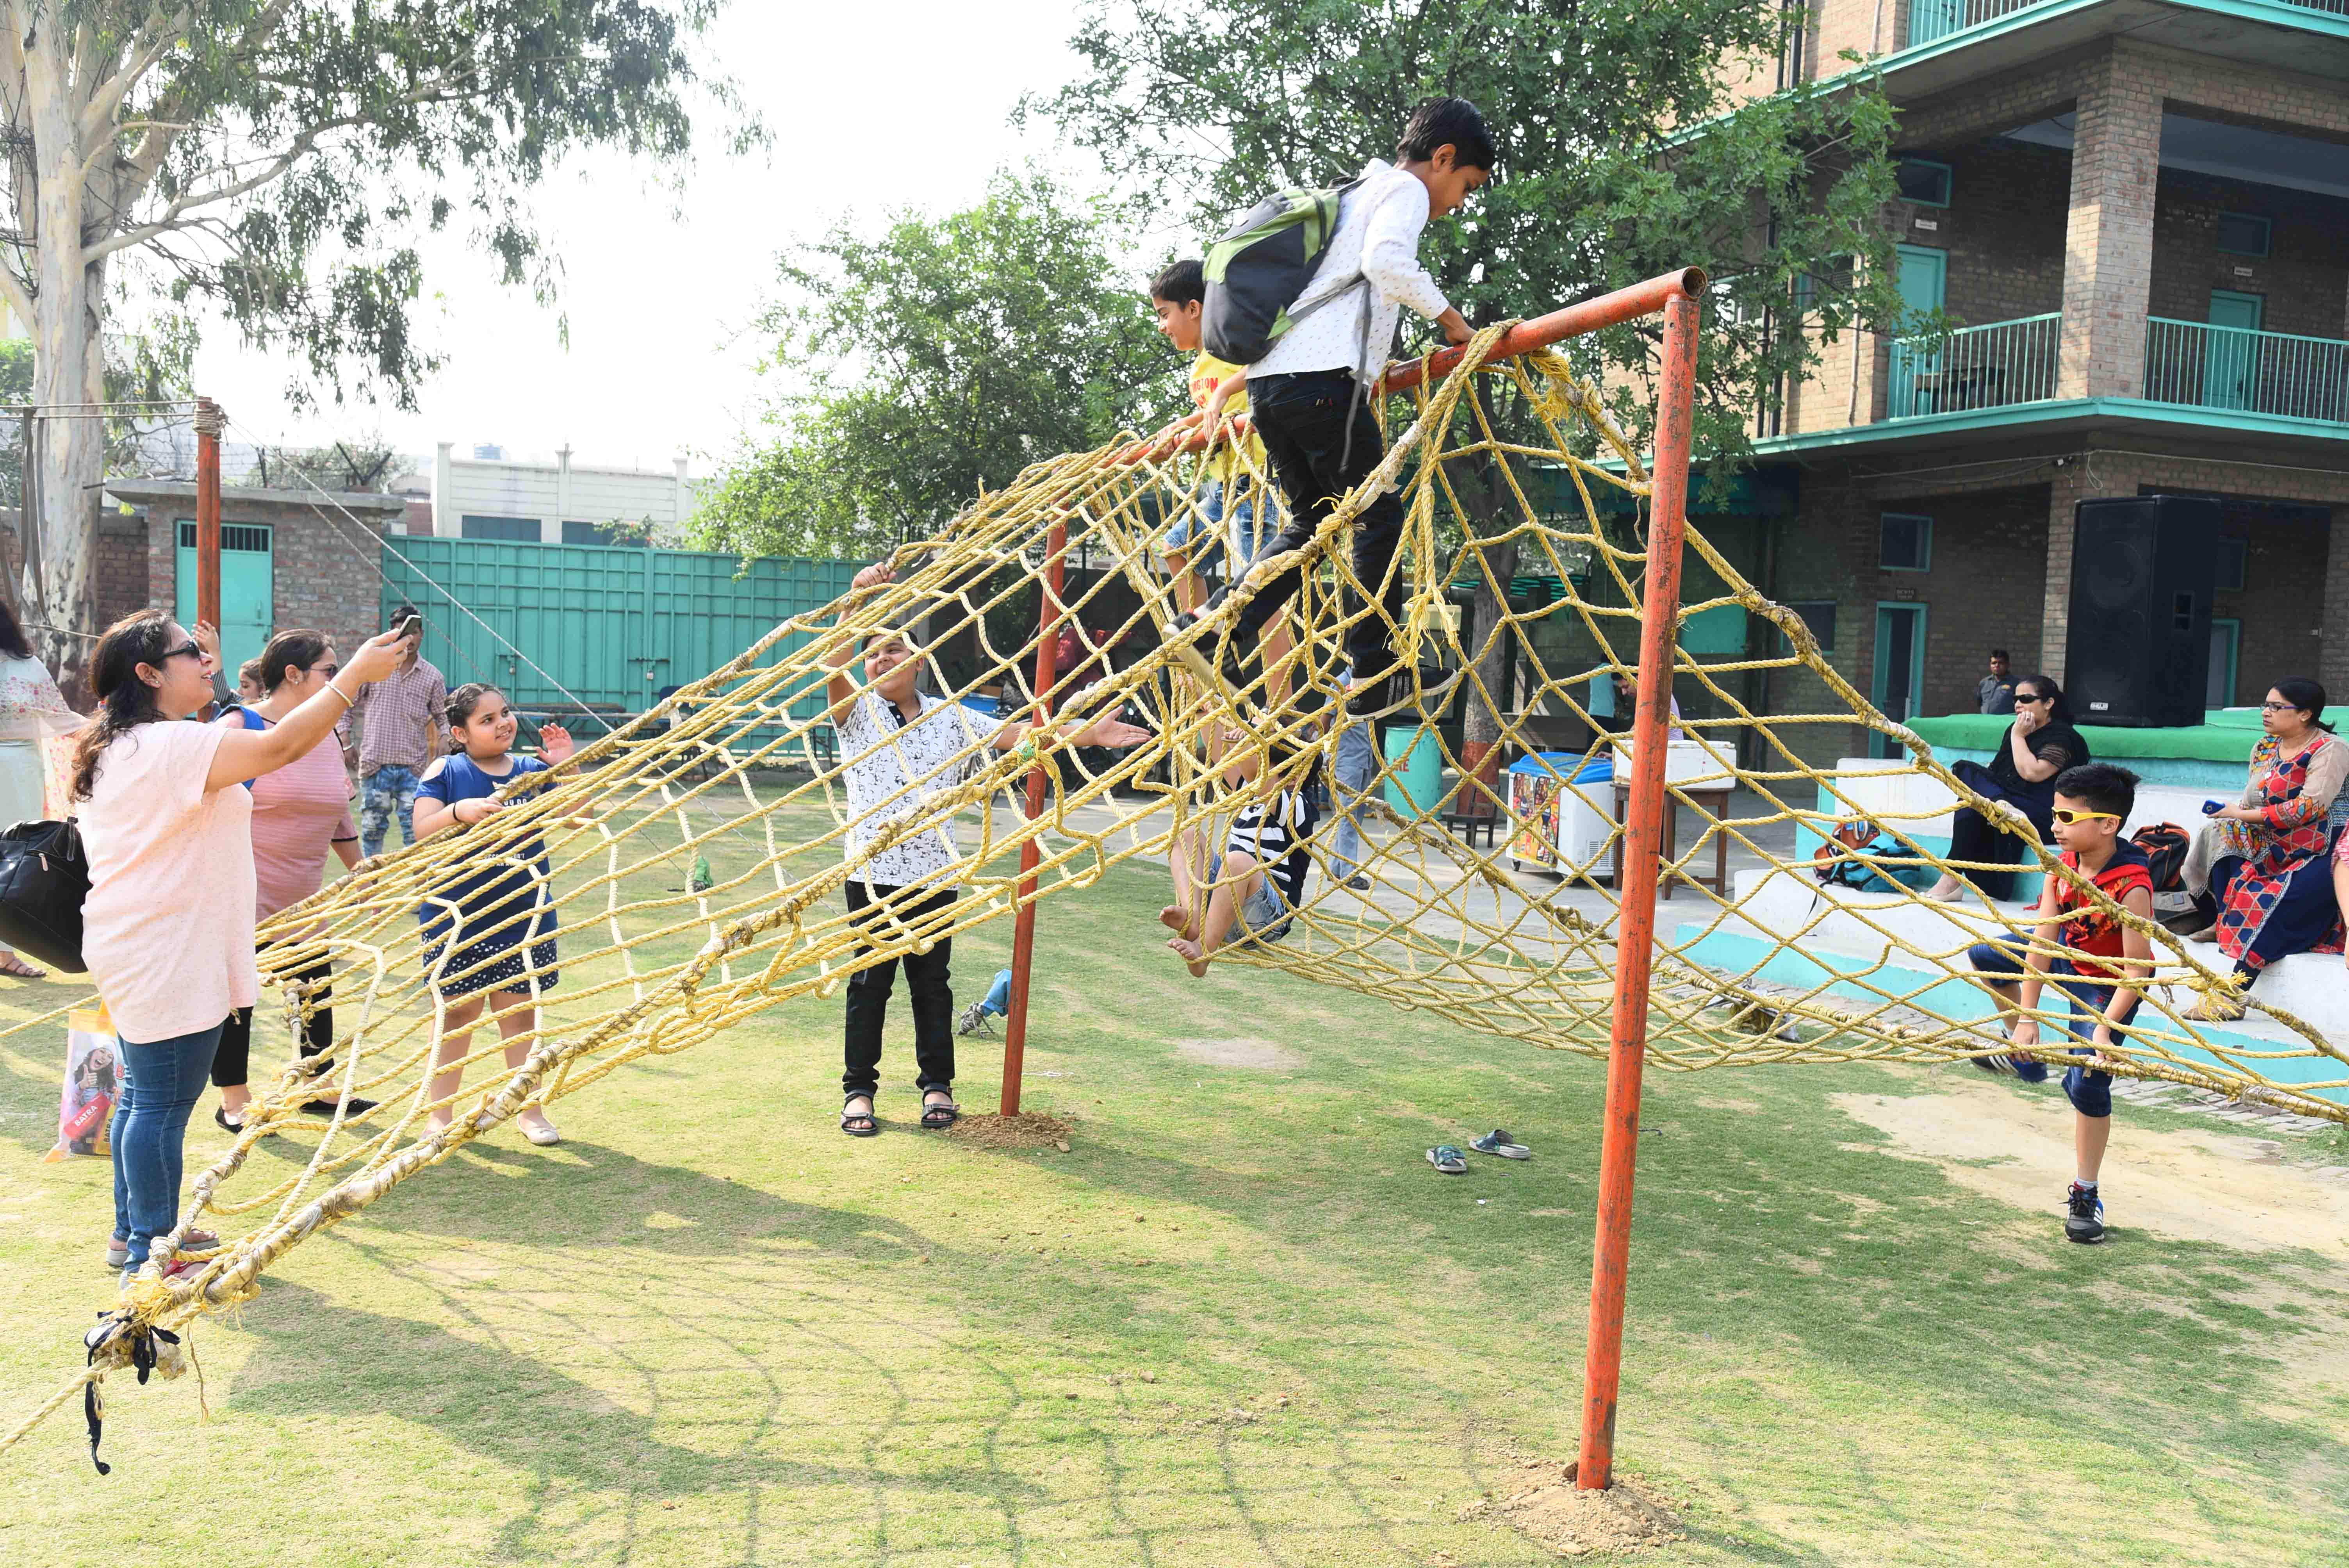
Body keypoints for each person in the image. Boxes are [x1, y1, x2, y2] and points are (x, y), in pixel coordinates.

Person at [76, 610, 401, 1280]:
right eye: (188, 652)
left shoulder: (134, 744)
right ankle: (152, 1254)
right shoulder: (169, 746)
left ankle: (133, 1233)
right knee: (161, 1103)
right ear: (148, 674)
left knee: (144, 1096)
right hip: (166, 950)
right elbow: (280, 747)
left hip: (141, 943)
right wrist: (353, 678)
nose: (205, 660)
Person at [1184, 96, 1494, 723]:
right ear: (1443, 158)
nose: (1460, 203)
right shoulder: (1404, 191)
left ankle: (1214, 624)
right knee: (1378, 514)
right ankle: (1375, 670)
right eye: (1466, 186)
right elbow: (1387, 264)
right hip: (1323, 384)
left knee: (1315, 520)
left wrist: (1371, 364)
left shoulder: (1354, 191)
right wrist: (1456, 323)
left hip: (1272, 387)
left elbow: (1329, 298)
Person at [822, 563, 1150, 1136]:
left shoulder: (949, 719)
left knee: (931, 986)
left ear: (918, 661)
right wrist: (854, 601)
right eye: (872, 654)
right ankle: (859, 1094)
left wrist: (1090, 734)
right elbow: (829, 665)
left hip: (935, 874)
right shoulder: (857, 717)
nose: (881, 660)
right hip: (872, 874)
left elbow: (1022, 737)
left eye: (894, 649)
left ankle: (937, 1088)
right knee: (869, 985)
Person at [1965, 763, 2154, 1245]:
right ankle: (2024, 1054)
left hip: (2107, 984)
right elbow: (2043, 942)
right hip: (2070, 954)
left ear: (2108, 824)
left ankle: (2086, 1192)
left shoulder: (2131, 884)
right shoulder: (2061, 865)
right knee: (1988, 954)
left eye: (2066, 817)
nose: (2054, 825)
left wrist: (2104, 1028)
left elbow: (2138, 969)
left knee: (2087, 1082)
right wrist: (2027, 1018)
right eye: (2054, 814)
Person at [208, 630, 379, 1133]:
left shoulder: (327, 733)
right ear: (293, 674)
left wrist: (361, 872)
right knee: (237, 997)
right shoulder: (241, 724)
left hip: (303, 897)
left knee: (312, 991)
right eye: (330, 670)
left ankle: (316, 1085)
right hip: (241, 894)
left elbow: (338, 813)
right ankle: (234, 1099)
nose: (339, 679)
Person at [413, 683, 576, 1144]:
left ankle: (529, 1110)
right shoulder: (447, 769)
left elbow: (576, 815)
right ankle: (439, 1117)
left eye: (504, 712)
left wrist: (567, 766)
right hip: (457, 917)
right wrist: (458, 811)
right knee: (455, 1017)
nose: (503, 723)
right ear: (460, 733)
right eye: (487, 719)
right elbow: (422, 829)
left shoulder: (531, 771)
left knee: (520, 1017)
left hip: (523, 914)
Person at [1150, 257, 1291, 697]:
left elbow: (1271, 361)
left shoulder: (1230, 341)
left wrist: (1221, 398)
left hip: (1255, 481)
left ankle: (1282, 704)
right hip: (1221, 486)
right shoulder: (1200, 365)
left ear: (1193, 308)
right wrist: (1185, 425)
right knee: (1176, 548)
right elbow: (1216, 413)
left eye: (1164, 314)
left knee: (1260, 585)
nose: (1162, 327)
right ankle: (1206, 645)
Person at [2178, 679, 2346, 1020]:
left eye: (2276, 707)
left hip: (2322, 849)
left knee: (2273, 900)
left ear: (2305, 714)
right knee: (2222, 832)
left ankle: (2233, 995)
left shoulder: (2330, 749)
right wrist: (2236, 814)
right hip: (2273, 841)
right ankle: (2224, 918)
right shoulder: (2265, 747)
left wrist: (2242, 814)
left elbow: (2309, 808)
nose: (2266, 713)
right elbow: (2252, 799)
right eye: (2265, 705)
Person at [1161, 724, 1320, 976]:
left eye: (1263, 760)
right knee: (1186, 835)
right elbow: (1217, 750)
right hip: (1226, 902)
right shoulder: (1248, 794)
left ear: (1292, 778)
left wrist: (1247, 741)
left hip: (1268, 916)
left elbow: (1258, 780)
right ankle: (1194, 917)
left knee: (1238, 862)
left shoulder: (1298, 806)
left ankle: (1204, 951)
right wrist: (1204, 710)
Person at [1925, 673, 2089, 903]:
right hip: (2011, 807)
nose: (2018, 704)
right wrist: (2015, 735)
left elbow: (2032, 773)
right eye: (2016, 699)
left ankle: (1950, 881)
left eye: (2026, 699)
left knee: (1976, 798)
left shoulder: (2065, 738)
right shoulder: (2015, 729)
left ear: (2049, 703)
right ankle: (1999, 803)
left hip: (2043, 814)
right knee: (1966, 774)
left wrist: (2018, 736)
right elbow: (1995, 774)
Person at [0, 599, 83, 978]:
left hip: (18, 767)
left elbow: (59, 718)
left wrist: (109, 733)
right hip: (18, 763)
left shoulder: (27, 667)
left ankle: (4, 951)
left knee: (12, 854)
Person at [352, 604, 446, 859]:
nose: (410, 639)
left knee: (416, 833)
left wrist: (446, 737)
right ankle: (370, 883)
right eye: (403, 633)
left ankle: (420, 884)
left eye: (414, 632)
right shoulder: (375, 669)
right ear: (393, 635)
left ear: (422, 634)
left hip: (413, 769)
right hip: (375, 765)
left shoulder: (433, 677)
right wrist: (345, 742)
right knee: (372, 831)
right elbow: (346, 704)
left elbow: (443, 716)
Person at [1978, 649, 2016, 715]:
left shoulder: (2016, 683)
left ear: (2008, 665)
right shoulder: (1984, 683)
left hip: (2006, 721)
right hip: (1986, 721)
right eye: (1994, 663)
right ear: (1990, 665)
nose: (1997, 665)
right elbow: (1980, 703)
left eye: (2001, 663)